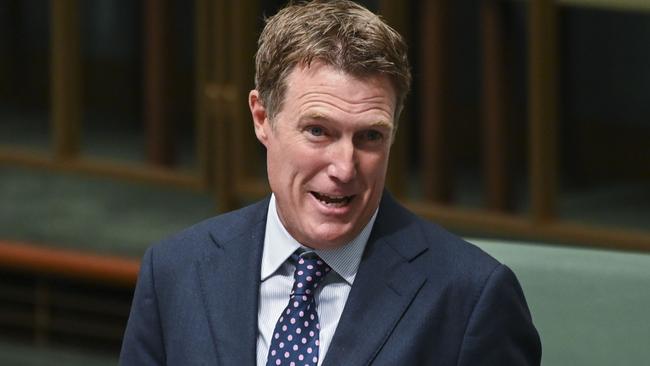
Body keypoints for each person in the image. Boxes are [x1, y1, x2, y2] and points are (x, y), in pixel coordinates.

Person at [120, 1, 541, 365]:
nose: (344, 167)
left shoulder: (470, 297)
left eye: (370, 137)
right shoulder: (175, 270)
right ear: (262, 119)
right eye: (319, 131)